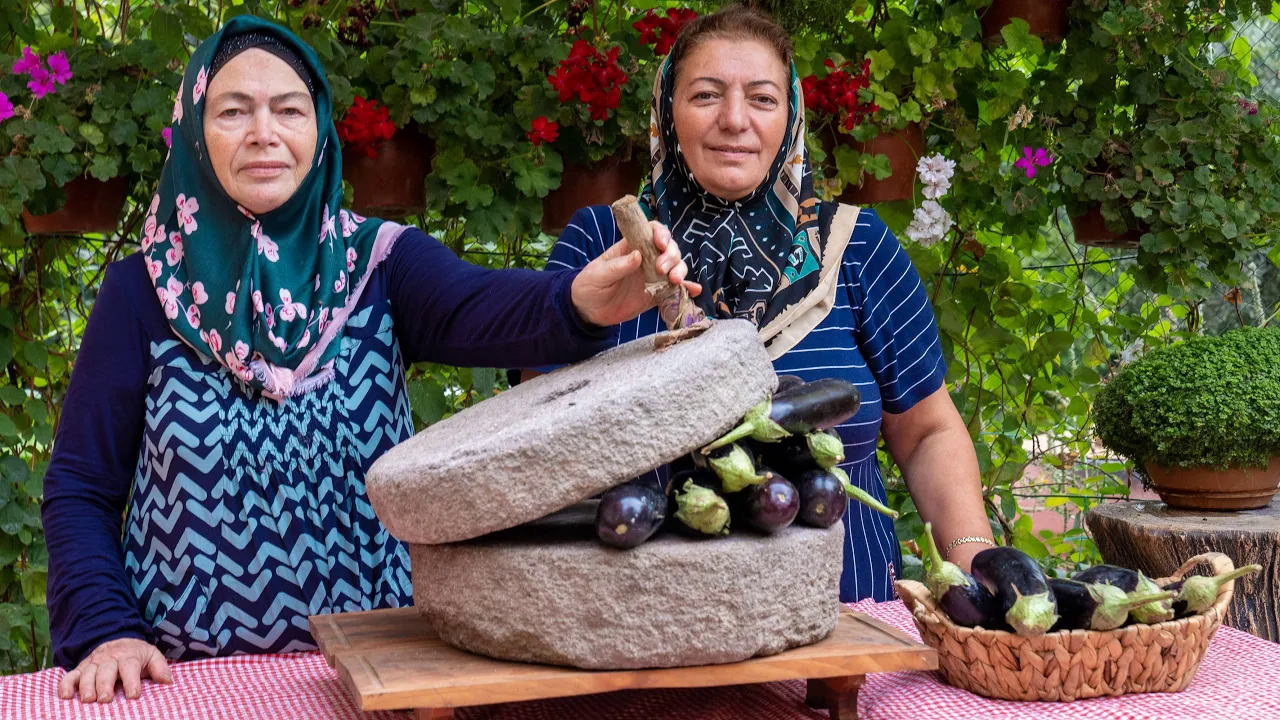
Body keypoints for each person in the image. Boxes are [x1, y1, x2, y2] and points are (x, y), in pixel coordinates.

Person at [42, 16, 695, 704]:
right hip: (186, 683)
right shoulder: (143, 290)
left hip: (381, 676)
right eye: (233, 111)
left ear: (319, 130)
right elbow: (82, 488)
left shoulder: (378, 265)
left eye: (289, 110)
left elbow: (493, 308)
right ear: (195, 134)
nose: (264, 132)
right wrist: (106, 630)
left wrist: (582, 301)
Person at [532, 5, 994, 604]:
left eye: (762, 99)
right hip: (640, 620)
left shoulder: (855, 251)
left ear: (791, 118)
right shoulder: (605, 246)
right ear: (667, 113)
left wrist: (976, 565)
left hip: (846, 626)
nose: (734, 120)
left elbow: (927, 431)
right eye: (705, 95)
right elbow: (537, 433)